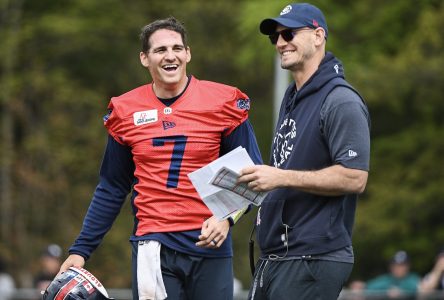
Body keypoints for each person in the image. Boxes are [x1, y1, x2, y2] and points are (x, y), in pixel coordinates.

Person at [58, 16, 262, 300]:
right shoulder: (125, 110)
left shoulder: (223, 101)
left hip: (210, 244)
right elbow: (112, 187)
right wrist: (80, 251)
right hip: (154, 245)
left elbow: (253, 174)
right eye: (160, 50)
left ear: (188, 54)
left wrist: (225, 219)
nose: (171, 56)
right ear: (144, 58)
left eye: (177, 48)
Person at [237, 3, 370, 300]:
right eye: (276, 37)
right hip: (278, 255)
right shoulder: (292, 97)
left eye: (290, 34)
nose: (281, 43)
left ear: (318, 36)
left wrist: (281, 178)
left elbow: (354, 178)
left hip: (313, 257)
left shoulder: (340, 100)